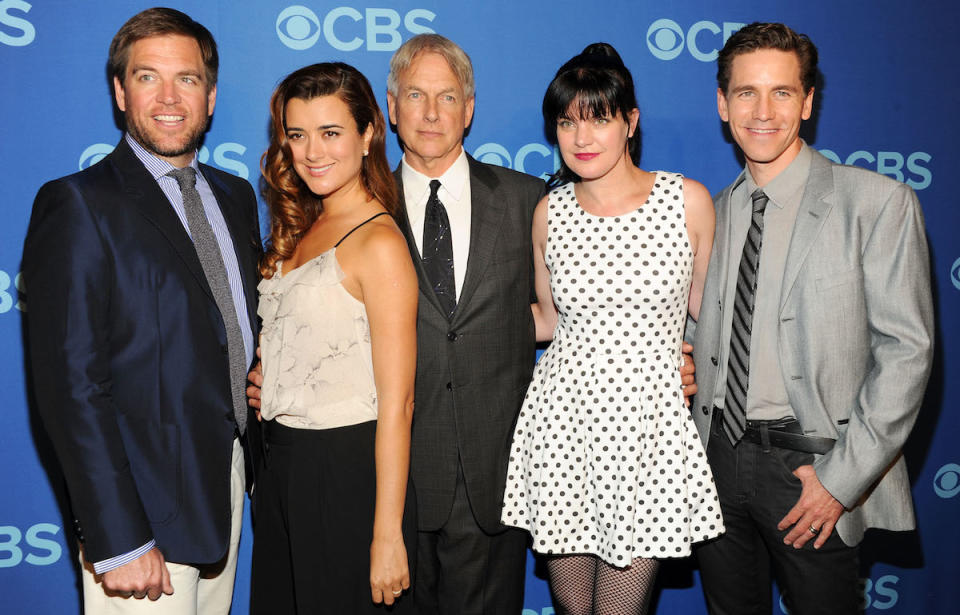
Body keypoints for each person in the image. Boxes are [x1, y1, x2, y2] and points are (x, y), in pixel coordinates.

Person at [247, 33, 698, 613]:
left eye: (447, 96)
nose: (431, 113)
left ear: (470, 107)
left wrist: (667, 358)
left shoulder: (531, 201)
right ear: (389, 106)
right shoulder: (350, 201)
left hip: (496, 477)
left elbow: (583, 302)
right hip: (385, 479)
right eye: (414, 95)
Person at [691, 22, 934, 615]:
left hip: (813, 466)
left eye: (781, 92)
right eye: (746, 92)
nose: (763, 110)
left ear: (807, 101)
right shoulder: (708, 213)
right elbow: (701, 329)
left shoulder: (877, 205)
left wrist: (840, 481)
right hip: (714, 460)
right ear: (723, 105)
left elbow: (907, 353)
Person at [22, 7, 260, 614]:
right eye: (148, 77)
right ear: (120, 91)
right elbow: (70, 385)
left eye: (187, 78)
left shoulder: (234, 196)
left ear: (210, 95)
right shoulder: (78, 205)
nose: (169, 97)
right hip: (140, 508)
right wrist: (118, 534)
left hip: (226, 485)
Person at [500, 43, 722, 615]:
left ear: (630, 121)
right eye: (567, 121)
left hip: (647, 430)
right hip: (564, 426)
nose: (581, 136)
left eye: (598, 117)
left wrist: (692, 359)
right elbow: (547, 320)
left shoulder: (686, 200)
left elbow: (711, 317)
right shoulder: (551, 212)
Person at [248, 62, 418, 614]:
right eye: (297, 134)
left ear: (369, 134)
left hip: (346, 475)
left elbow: (399, 404)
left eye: (331, 132)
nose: (312, 152)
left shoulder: (379, 243)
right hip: (283, 471)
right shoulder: (301, 223)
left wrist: (387, 534)